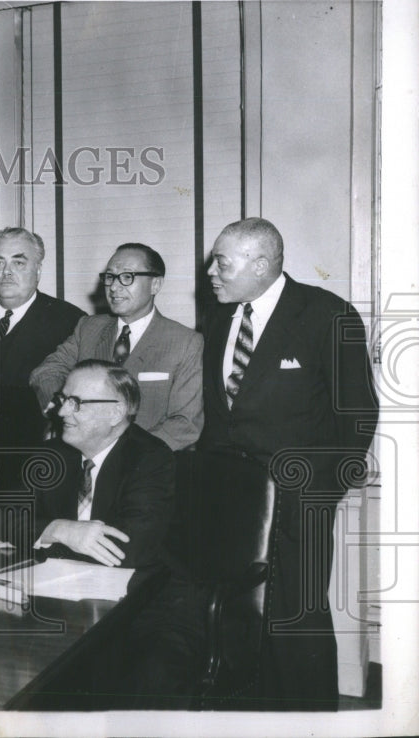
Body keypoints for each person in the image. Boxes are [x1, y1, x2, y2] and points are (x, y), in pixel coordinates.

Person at [201, 217, 378, 710]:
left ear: (261, 264)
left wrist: (323, 492)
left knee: (297, 618)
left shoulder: (326, 314)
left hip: (301, 499)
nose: (211, 272)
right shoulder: (220, 318)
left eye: (222, 262)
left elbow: (358, 414)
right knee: (240, 616)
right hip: (233, 505)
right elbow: (220, 417)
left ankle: (309, 719)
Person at [30, 243, 203, 450]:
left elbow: (185, 424)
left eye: (127, 277)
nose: (113, 286)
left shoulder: (185, 342)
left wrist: (123, 452)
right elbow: (46, 372)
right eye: (110, 277)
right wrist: (62, 407)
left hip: (145, 465)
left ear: (155, 284)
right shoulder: (89, 328)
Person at [0, 227, 83, 470]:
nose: (6, 273)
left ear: (39, 270)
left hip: (32, 467)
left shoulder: (70, 322)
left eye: (19, 263)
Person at [31, 360, 175, 568]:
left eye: (75, 402)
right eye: (63, 400)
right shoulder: (51, 454)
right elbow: (3, 521)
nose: (61, 412)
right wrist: (59, 530)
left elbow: (128, 551)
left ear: (115, 413)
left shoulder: (151, 459)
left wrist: (45, 539)